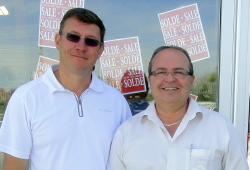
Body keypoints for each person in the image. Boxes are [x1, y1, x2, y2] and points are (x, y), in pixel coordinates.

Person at [0, 8, 131, 170]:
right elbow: (14, 167)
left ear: (100, 50)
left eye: (91, 41)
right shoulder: (26, 98)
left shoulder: (116, 102)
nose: (81, 46)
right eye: (73, 37)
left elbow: (128, 162)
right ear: (57, 41)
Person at [107, 45, 248, 170]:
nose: (170, 78)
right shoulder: (126, 133)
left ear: (191, 80)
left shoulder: (221, 128)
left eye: (179, 72)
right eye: (161, 72)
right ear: (150, 80)